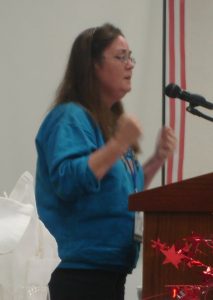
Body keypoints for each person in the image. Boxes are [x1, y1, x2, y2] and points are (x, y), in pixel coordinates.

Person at [35, 23, 176, 300]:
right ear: (93, 66)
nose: (130, 65)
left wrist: (156, 160)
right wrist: (119, 144)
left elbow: (125, 194)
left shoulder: (108, 126)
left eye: (130, 56)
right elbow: (69, 181)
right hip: (78, 274)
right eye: (120, 56)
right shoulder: (69, 117)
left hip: (110, 270)